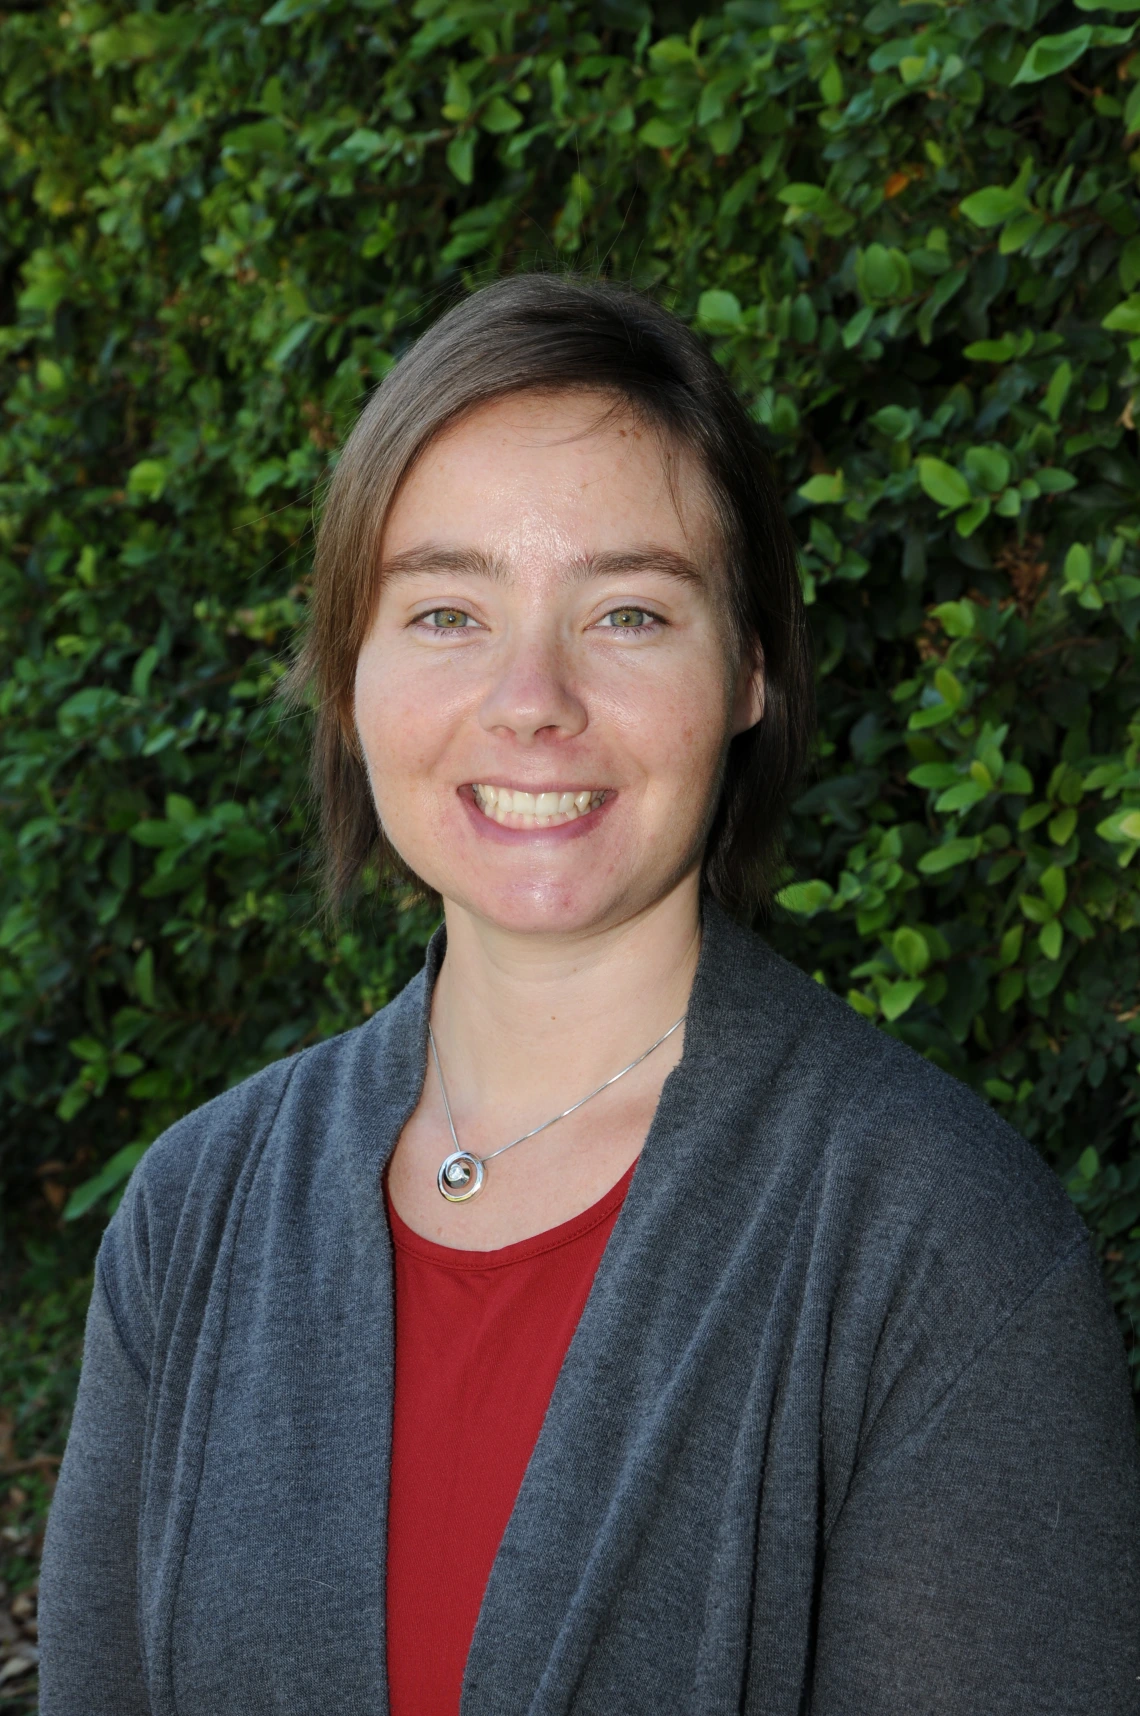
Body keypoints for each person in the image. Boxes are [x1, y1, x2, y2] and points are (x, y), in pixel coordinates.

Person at [39, 274, 1139, 1716]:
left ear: (747, 669)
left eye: (626, 614)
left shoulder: (939, 1249)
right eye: (446, 613)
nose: (533, 699)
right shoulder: (192, 1217)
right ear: (348, 674)